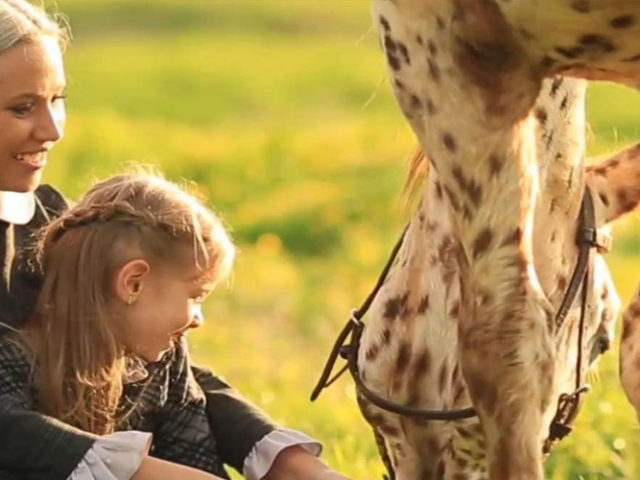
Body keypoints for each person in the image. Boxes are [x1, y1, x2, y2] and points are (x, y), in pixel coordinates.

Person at [0, 1, 351, 479]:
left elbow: (152, 366)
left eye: (57, 99)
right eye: (23, 107)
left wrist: (286, 459)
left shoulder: (48, 220)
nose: (53, 130)